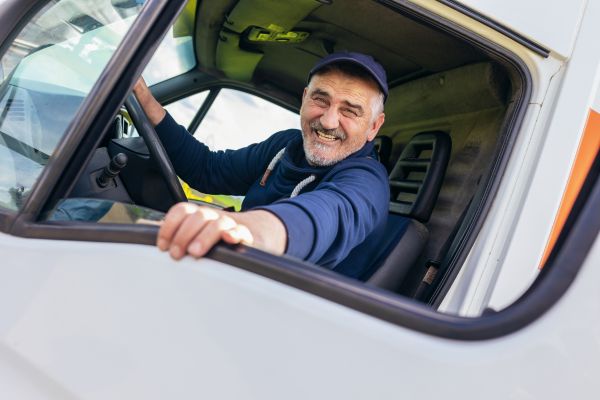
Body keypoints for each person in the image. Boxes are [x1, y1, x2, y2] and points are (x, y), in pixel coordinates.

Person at [133, 51, 390, 280]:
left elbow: (325, 216)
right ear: (304, 98)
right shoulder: (286, 144)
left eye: (350, 111)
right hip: (236, 276)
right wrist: (145, 100)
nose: (329, 120)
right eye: (321, 100)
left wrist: (243, 230)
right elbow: (208, 169)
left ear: (374, 127)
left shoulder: (369, 181)